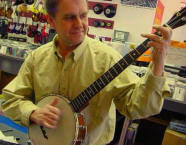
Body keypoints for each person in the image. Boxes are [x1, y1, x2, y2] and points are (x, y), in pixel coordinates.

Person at [2, 0, 172, 144]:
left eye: (83, 15)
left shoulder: (108, 59)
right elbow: (11, 100)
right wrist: (33, 112)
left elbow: (139, 109)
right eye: (70, 17)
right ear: (51, 21)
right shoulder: (37, 58)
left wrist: (158, 63)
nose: (79, 24)